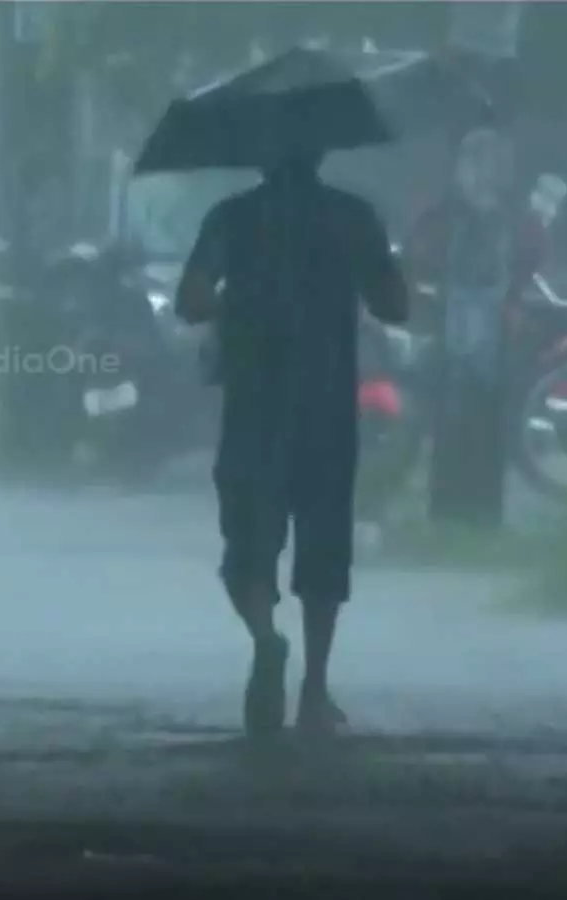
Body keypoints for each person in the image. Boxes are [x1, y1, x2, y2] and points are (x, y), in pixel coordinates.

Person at [175, 151, 409, 738]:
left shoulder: (231, 218)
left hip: (254, 408)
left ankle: (266, 640)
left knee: (247, 543)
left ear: (259, 155)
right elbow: (395, 305)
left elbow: (189, 301)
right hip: (328, 408)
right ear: (321, 151)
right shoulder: (353, 217)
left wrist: (237, 305)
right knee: (324, 549)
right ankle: (315, 690)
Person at [407, 127, 542, 528]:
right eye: (475, 163)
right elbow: (420, 256)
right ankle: (449, 512)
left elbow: (530, 258)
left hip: (493, 337)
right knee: (452, 419)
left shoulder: (514, 219)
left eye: (492, 164)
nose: (484, 173)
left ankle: (481, 515)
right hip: (452, 333)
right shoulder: (446, 216)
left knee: (485, 420)